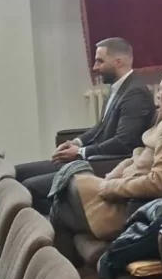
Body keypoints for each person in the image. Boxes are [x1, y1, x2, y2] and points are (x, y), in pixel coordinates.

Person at [50, 70, 162, 242]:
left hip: (136, 205)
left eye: (161, 90)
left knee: (62, 203)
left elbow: (159, 183)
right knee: (67, 187)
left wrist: (110, 187)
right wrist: (115, 174)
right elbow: (140, 154)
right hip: (126, 188)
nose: (157, 95)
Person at [15, 37, 154, 214]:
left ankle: (65, 224)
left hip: (105, 164)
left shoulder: (135, 93)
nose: (95, 67)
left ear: (118, 62)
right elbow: (101, 127)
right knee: (18, 173)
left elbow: (124, 142)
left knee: (30, 187)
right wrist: (76, 143)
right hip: (93, 157)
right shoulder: (118, 88)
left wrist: (81, 153)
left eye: (100, 61)